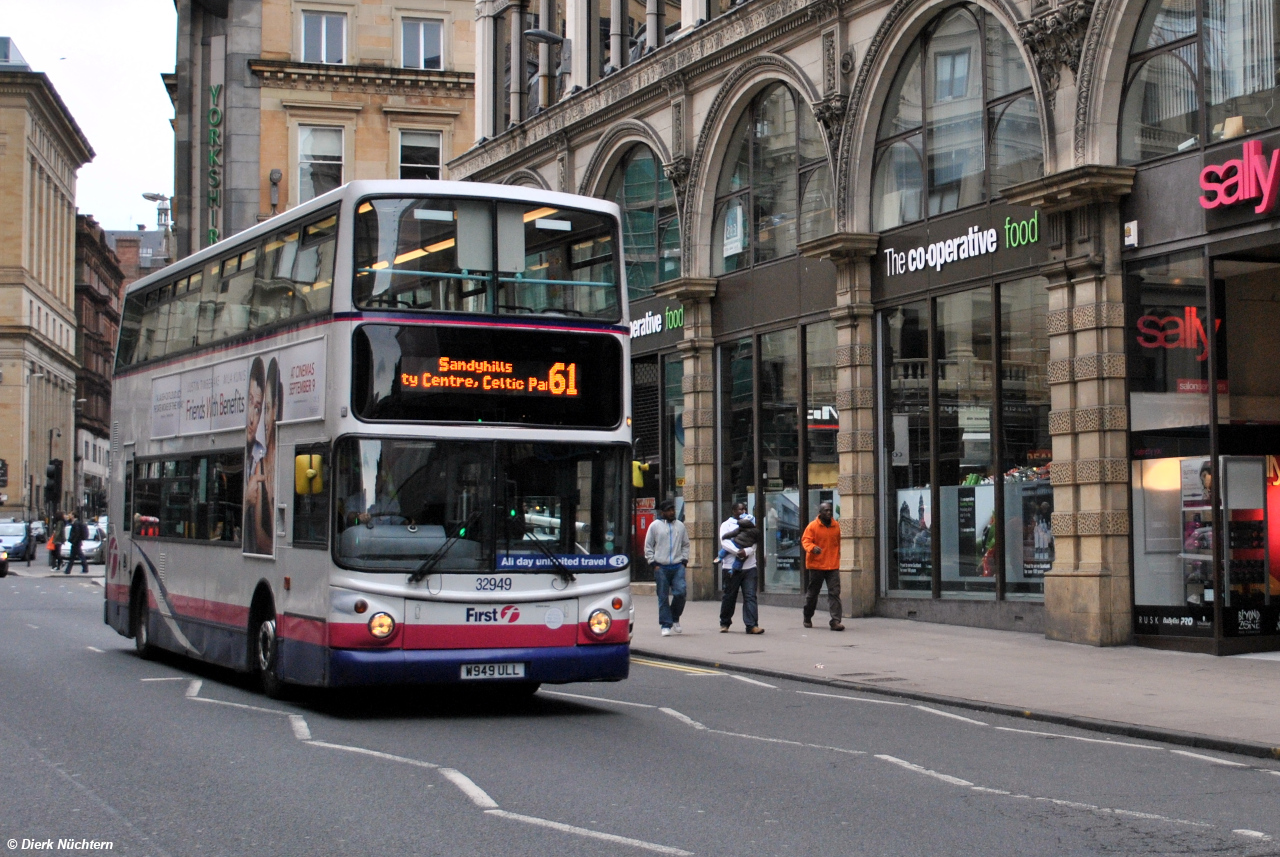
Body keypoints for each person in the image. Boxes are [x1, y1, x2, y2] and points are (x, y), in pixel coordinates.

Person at [644, 499, 689, 637]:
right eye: (668, 510)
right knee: (663, 597)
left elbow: (685, 544)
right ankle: (665, 624)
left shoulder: (680, 526)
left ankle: (675, 618)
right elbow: (648, 546)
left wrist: (684, 560)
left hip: (677, 566)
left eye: (673, 510)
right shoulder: (654, 526)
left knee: (680, 593)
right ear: (662, 512)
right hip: (661, 567)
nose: (671, 512)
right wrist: (653, 563)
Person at [801, 502, 843, 631]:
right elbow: (805, 540)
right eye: (826, 510)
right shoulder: (812, 526)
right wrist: (813, 548)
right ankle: (807, 616)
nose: (829, 513)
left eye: (830, 510)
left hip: (832, 566)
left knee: (834, 593)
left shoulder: (836, 526)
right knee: (813, 593)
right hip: (817, 565)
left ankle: (835, 621)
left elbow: (838, 543)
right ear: (820, 512)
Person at [719, 511, 763, 634]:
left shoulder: (751, 525)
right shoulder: (726, 525)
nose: (742, 511)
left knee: (750, 596)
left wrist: (747, 551)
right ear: (733, 511)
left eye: (744, 508)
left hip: (749, 567)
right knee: (729, 596)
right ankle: (725, 622)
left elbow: (754, 543)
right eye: (739, 509)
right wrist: (738, 551)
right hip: (730, 566)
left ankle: (752, 625)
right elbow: (725, 543)